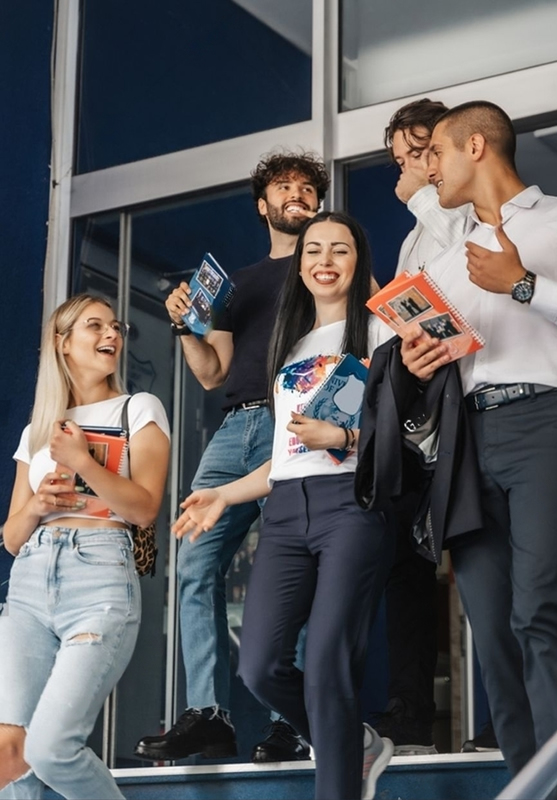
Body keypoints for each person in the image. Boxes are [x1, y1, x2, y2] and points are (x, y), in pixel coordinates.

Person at [402, 100, 557, 799]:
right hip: (469, 440)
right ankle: (526, 787)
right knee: (494, 636)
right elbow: (419, 350)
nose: (427, 170)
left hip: (552, 423)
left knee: (539, 611)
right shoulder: (445, 259)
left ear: (475, 146)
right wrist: (420, 356)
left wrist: (525, 285)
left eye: (435, 154)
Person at [172, 211, 396, 800]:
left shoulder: (382, 333)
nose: (325, 261)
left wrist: (345, 439)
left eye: (340, 250)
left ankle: (341, 781)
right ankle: (359, 744)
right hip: (288, 508)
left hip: (351, 503)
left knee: (325, 666)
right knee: (261, 667)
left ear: (359, 262)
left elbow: (413, 433)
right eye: (313, 251)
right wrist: (224, 492)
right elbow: (286, 456)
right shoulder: (289, 347)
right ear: (299, 266)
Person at [134, 151, 331, 764]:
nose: (296, 193)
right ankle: (209, 715)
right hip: (234, 427)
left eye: (306, 187)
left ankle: (291, 723)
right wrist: (187, 328)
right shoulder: (239, 284)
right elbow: (213, 373)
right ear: (263, 206)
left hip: (296, 422)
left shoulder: (329, 268)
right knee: (193, 563)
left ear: (319, 205)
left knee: (289, 566)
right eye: (283, 187)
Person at [0, 294, 170, 800]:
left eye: (115, 326)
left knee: (51, 747)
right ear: (63, 343)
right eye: (95, 326)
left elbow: (143, 508)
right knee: (9, 754)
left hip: (98, 576)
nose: (112, 335)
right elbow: (11, 538)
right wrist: (37, 505)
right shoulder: (39, 428)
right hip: (30, 581)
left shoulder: (138, 408)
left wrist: (84, 462)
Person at [372, 97, 468, 755]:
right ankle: (407, 711)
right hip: (415, 416)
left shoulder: (457, 211)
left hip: (468, 403)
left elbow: (464, 279)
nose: (410, 169)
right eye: (403, 159)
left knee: (491, 561)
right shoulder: (411, 235)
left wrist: (422, 195)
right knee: (405, 566)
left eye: (420, 152)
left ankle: (508, 713)